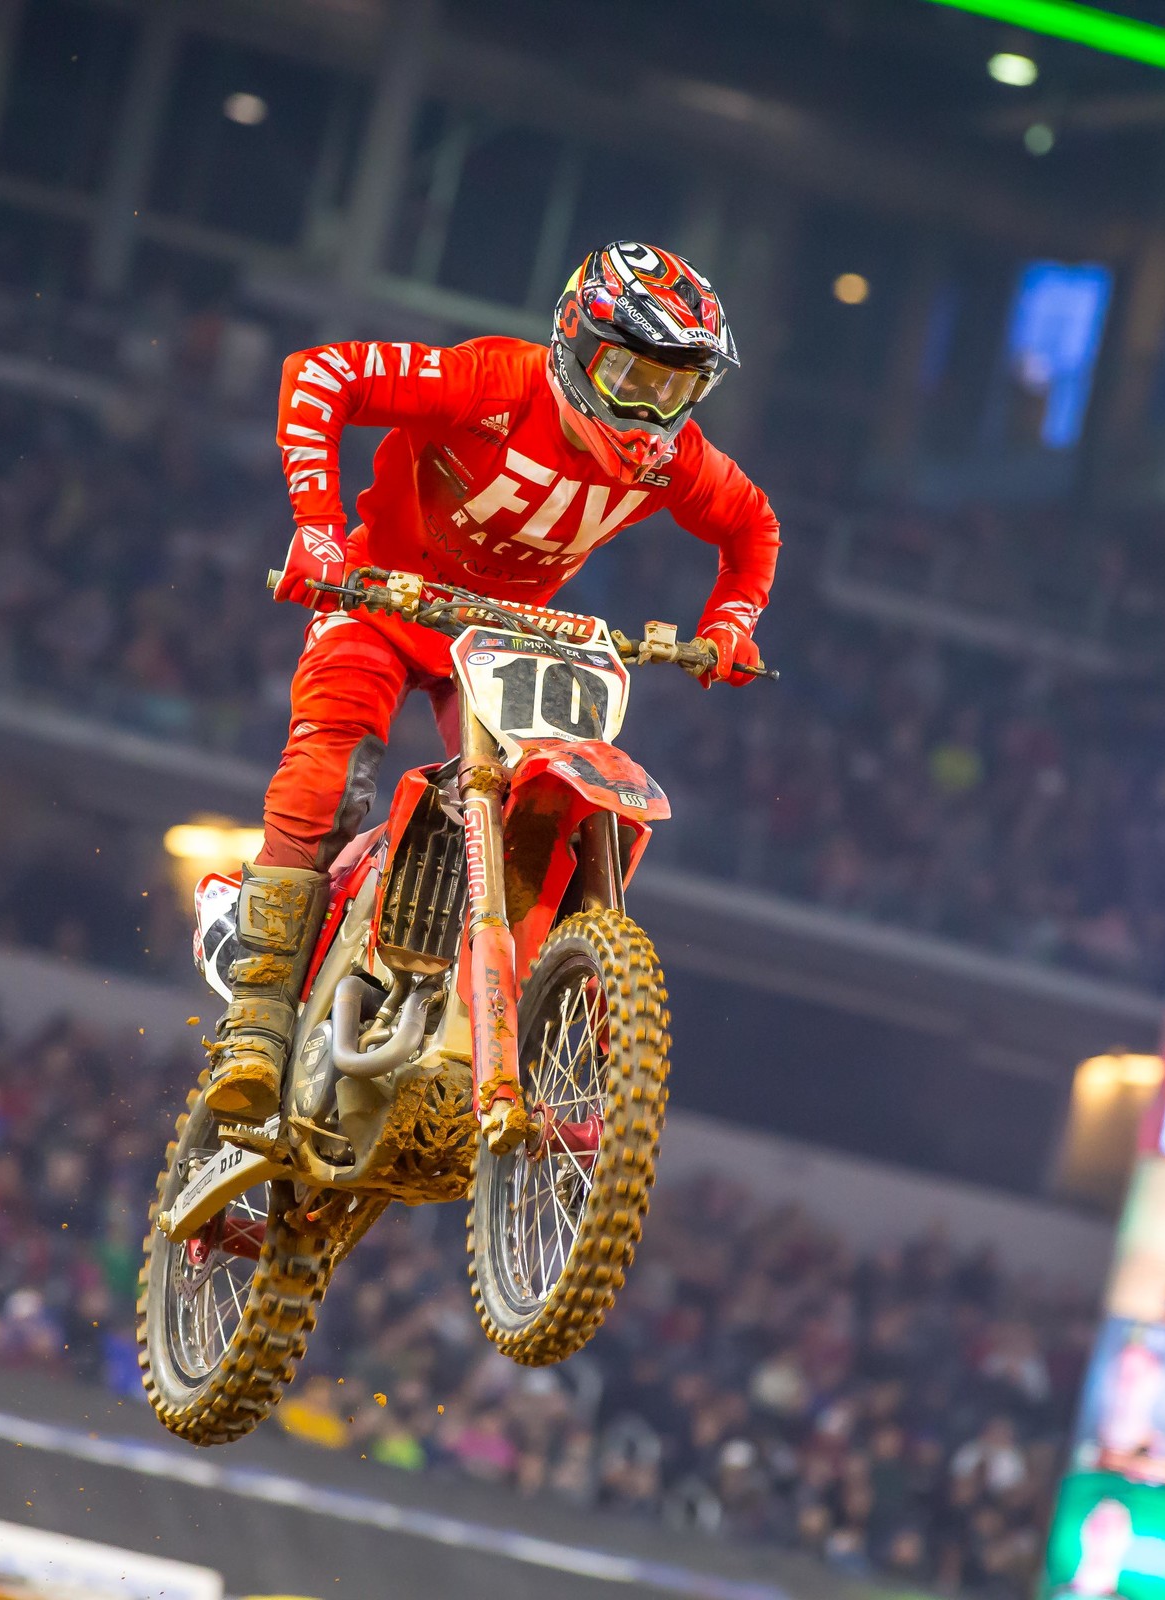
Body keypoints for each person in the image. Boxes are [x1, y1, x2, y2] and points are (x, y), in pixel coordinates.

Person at [206, 241, 783, 1121]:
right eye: (630, 374)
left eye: (675, 388)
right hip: (378, 599)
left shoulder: (673, 460)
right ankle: (254, 1018)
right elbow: (322, 374)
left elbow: (753, 529)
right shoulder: (493, 385)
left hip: (500, 640)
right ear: (576, 343)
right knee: (335, 768)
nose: (648, 408)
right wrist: (318, 530)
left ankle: (529, 1030)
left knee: (542, 807)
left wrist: (730, 626)